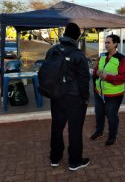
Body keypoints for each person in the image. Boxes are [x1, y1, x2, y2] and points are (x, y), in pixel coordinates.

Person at [47, 23, 90, 171]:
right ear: (77, 37)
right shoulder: (79, 55)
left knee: (57, 128)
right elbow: (84, 80)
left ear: (65, 34)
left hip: (56, 96)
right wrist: (85, 98)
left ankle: (55, 158)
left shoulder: (52, 50)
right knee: (75, 130)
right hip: (74, 99)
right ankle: (74, 161)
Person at [90, 34, 125, 146]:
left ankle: (112, 136)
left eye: (108, 42)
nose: (106, 44)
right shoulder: (102, 56)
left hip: (114, 95)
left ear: (115, 44)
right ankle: (99, 132)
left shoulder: (121, 59)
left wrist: (108, 77)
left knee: (111, 116)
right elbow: (96, 70)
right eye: (105, 42)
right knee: (99, 114)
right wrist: (96, 72)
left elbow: (124, 77)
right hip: (100, 92)